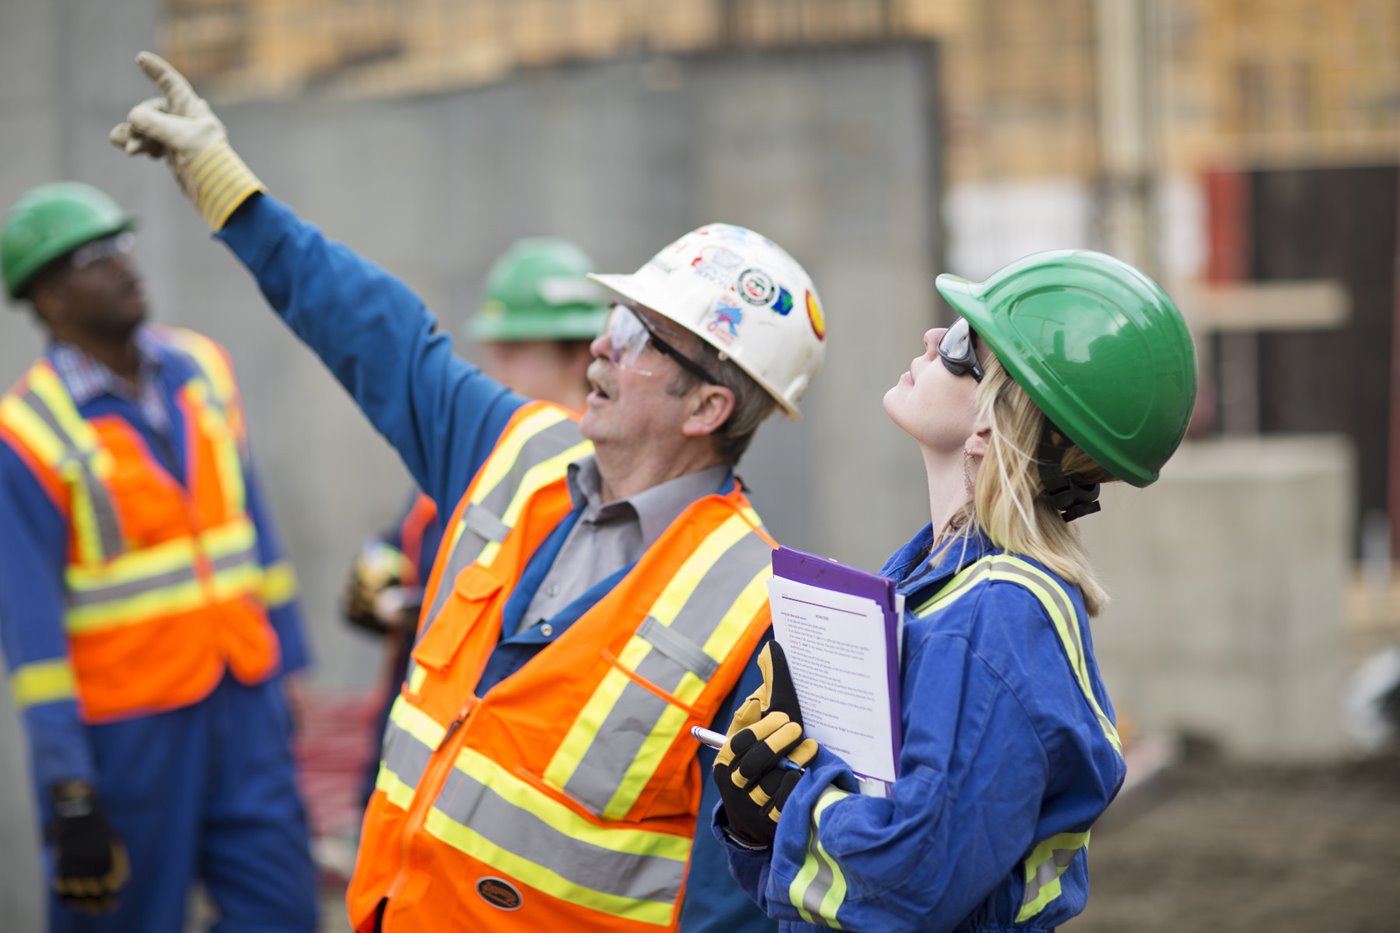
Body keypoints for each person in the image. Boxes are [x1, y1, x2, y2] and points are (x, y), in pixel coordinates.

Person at [111, 51, 829, 932]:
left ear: (710, 405)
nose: (599, 348)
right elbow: (378, 335)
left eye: (640, 337)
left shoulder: (759, 615)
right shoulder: (518, 452)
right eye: (615, 320)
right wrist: (230, 191)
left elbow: (733, 904)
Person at [709, 250, 1197, 931]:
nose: (934, 340)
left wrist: (791, 799)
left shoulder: (995, 620)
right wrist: (755, 819)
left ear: (993, 423)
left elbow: (909, 885)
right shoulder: (935, 580)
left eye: (965, 343)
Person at [0, 180, 318, 932]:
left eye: (122, 244)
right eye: (92, 256)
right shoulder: (26, 434)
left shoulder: (201, 367)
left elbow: (254, 527)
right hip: (130, 734)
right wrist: (67, 785)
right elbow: (32, 637)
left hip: (244, 699)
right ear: (47, 297)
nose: (123, 265)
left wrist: (290, 662)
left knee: (282, 911)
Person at [342, 236, 608, 812]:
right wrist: (383, 584)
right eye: (494, 348)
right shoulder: (485, 452)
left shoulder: (604, 474)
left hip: (494, 766)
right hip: (410, 731)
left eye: (515, 348)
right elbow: (398, 539)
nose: (495, 366)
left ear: (580, 352)